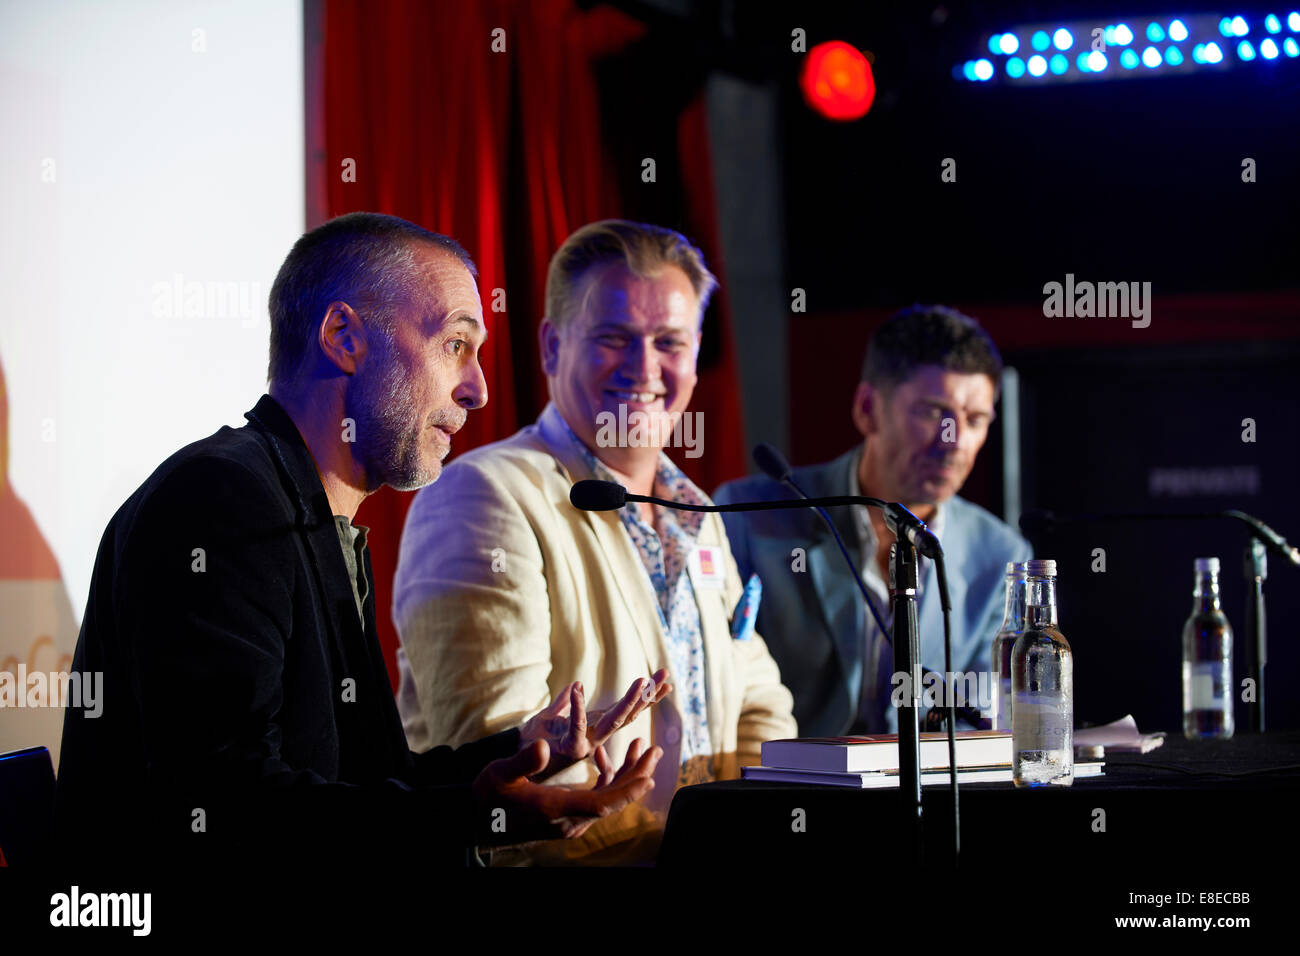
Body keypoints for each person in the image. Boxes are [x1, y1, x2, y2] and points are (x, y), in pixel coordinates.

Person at [55, 212, 664, 871]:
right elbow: (226, 806)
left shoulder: (312, 516)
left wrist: (523, 751)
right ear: (344, 336)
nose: (479, 388)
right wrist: (476, 815)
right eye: (456, 345)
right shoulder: (220, 501)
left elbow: (364, 779)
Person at [393, 219, 796, 864]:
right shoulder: (481, 495)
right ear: (552, 348)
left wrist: (744, 838)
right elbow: (504, 771)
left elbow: (759, 707)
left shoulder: (698, 509)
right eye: (613, 338)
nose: (644, 368)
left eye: (669, 341)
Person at [715, 305, 1031, 736]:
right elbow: (720, 689)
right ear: (867, 409)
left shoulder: (1001, 556)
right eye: (932, 412)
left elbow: (981, 721)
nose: (953, 442)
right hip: (787, 789)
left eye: (974, 420)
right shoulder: (751, 517)